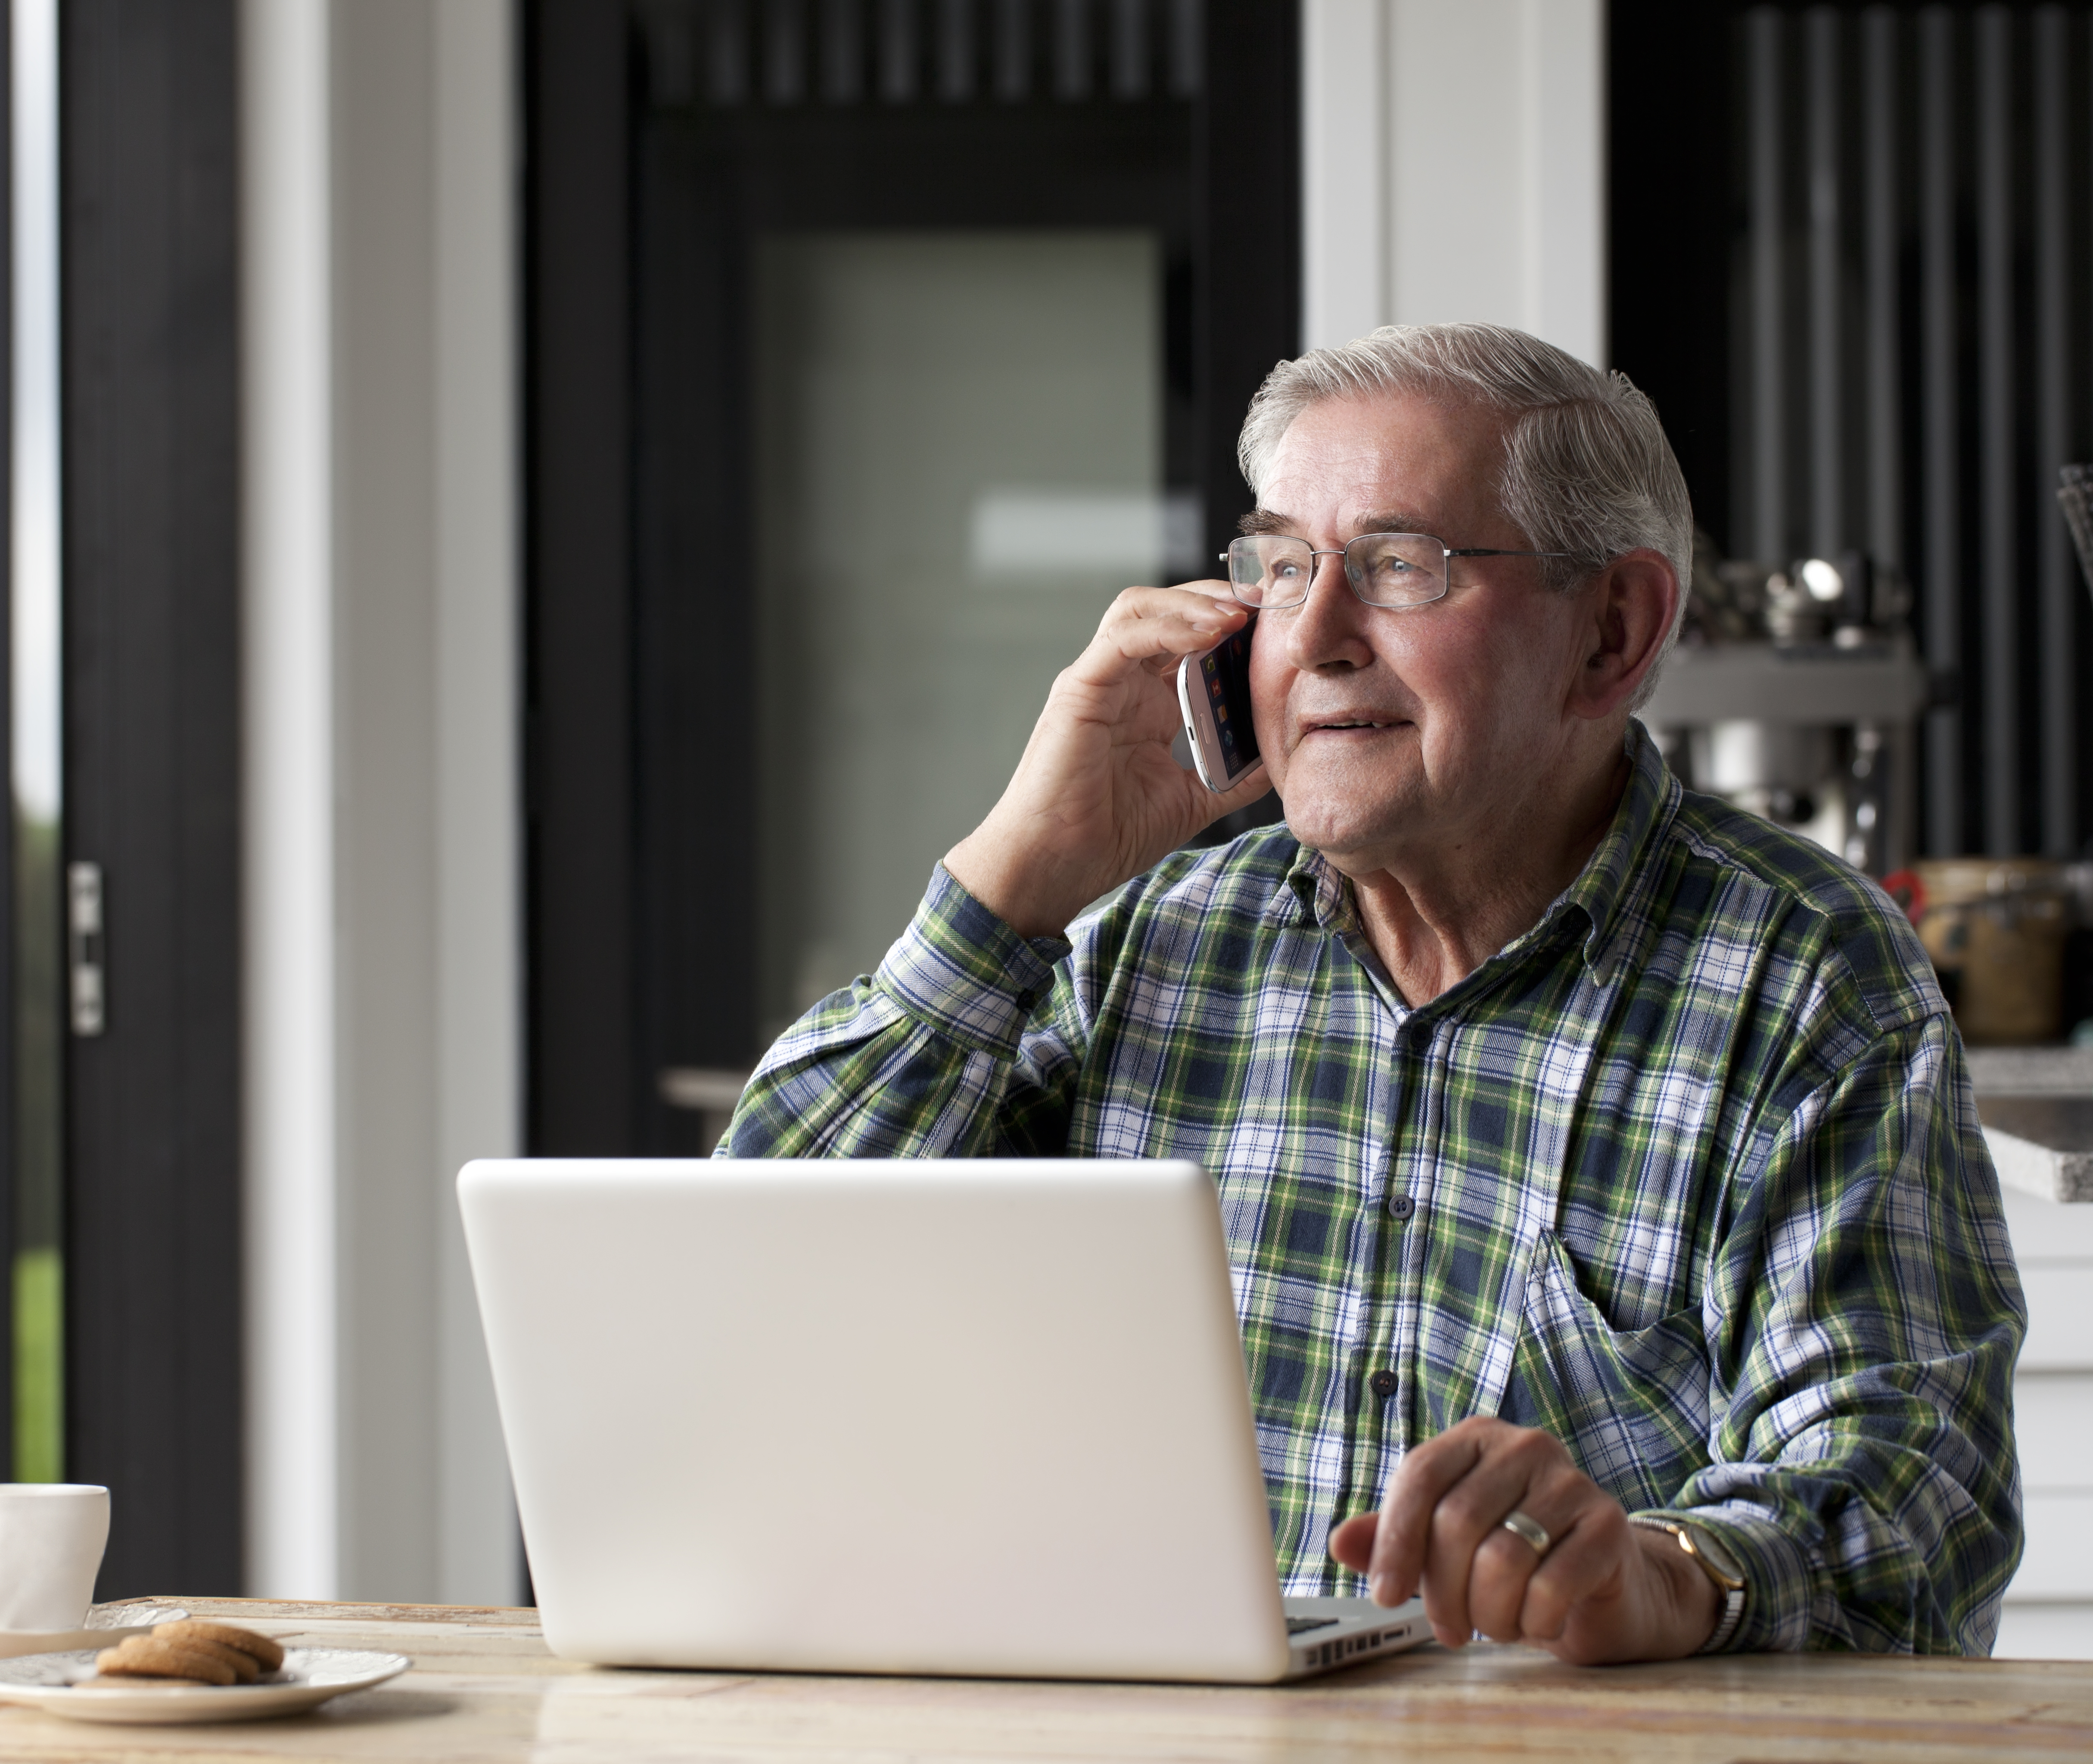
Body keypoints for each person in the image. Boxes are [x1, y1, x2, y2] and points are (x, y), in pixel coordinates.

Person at [725, 323, 2025, 1662]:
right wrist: (1017, 880)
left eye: (1402, 566)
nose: (1319, 637)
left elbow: (1916, 1512)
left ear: (1613, 633)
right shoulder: (1150, 943)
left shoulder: (1807, 978)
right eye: (1282, 570)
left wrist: (1665, 1573)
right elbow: (749, 1288)